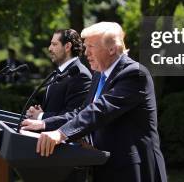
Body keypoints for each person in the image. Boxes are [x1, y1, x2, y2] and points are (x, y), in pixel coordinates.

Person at [21, 22, 167, 182]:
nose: (86, 53)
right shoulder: (98, 74)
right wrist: (44, 124)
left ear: (112, 49)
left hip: (134, 169)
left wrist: (60, 134)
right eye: (85, 46)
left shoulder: (135, 74)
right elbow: (83, 112)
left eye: (91, 46)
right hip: (104, 165)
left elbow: (100, 110)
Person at [26, 29, 92, 120]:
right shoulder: (59, 71)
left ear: (67, 46)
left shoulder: (80, 75)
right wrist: (37, 112)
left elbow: (74, 116)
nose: (49, 48)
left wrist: (41, 116)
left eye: (54, 44)